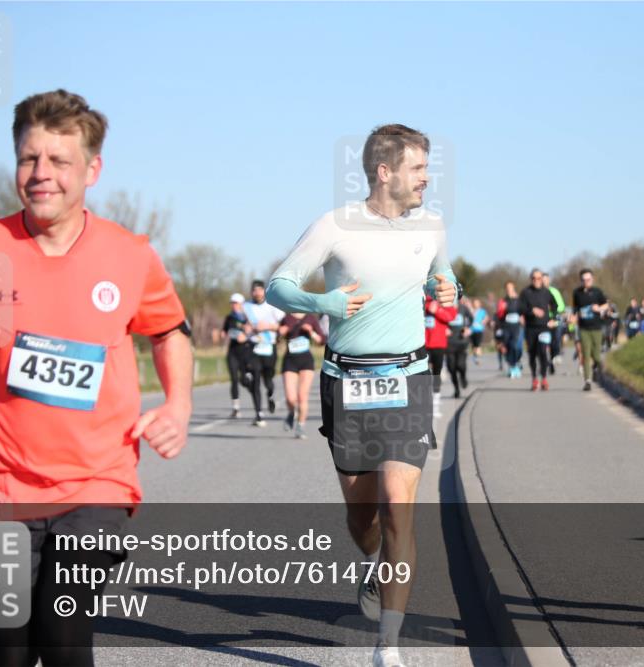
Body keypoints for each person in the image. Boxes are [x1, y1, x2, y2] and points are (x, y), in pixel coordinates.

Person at [0, 89, 193, 666]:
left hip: (98, 483)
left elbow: (170, 331)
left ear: (92, 169)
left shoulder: (130, 255)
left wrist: (178, 405)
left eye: (59, 161)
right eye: (29, 159)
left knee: (63, 639)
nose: (41, 174)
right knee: (3, 651)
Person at [266, 124, 458, 667]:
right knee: (362, 515)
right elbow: (279, 285)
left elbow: (440, 276)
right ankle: (374, 560)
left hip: (407, 376)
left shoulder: (432, 225)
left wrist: (448, 286)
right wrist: (324, 304)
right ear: (385, 172)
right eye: (418, 168)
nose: (427, 178)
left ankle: (388, 645)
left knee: (399, 504)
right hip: (346, 380)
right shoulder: (334, 226)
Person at [243, 279, 285, 426]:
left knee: (268, 380)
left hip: (269, 346)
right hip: (254, 347)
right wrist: (246, 329)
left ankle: (270, 394)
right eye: (254, 290)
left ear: (264, 291)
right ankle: (259, 414)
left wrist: (267, 326)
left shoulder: (273, 306)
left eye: (259, 289)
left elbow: (283, 325)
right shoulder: (246, 307)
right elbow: (240, 323)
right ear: (251, 292)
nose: (257, 293)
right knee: (255, 379)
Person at [278, 311, 326, 438]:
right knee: (290, 397)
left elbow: (321, 340)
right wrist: (281, 332)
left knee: (302, 396)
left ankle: (300, 425)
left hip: (306, 360)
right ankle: (291, 412)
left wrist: (311, 332)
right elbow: (277, 338)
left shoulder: (310, 318)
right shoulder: (287, 317)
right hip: (290, 360)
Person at [518, 270, 559, 391]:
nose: (536, 280)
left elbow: (555, 306)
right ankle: (534, 378)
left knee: (542, 352)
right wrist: (532, 311)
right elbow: (520, 308)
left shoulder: (547, 292)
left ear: (542, 279)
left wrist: (552, 319)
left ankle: (544, 378)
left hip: (544, 327)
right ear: (531, 279)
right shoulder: (526, 292)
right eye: (534, 278)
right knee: (532, 354)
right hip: (530, 327)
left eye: (539, 278)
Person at [571, 269, 608, 391]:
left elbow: (606, 305)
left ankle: (599, 365)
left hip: (596, 327)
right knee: (586, 354)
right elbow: (575, 309)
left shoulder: (597, 292)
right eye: (584, 280)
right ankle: (587, 381)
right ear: (581, 281)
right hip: (583, 328)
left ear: (592, 279)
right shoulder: (577, 293)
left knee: (596, 355)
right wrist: (573, 317)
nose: (586, 282)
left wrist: (599, 308)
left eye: (588, 279)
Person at [219, 293, 252, 418]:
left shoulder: (247, 318)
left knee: (244, 379)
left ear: (241, 304)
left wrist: (246, 332)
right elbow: (225, 331)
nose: (233, 305)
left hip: (244, 351)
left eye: (236, 303)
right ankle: (236, 408)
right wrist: (222, 334)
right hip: (232, 351)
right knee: (233, 379)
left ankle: (253, 392)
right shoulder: (229, 318)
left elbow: (252, 333)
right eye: (232, 303)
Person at [425, 294, 457, 415]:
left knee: (436, 374)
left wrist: (437, 310)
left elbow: (451, 316)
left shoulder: (443, 301)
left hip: (438, 344)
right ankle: (425, 403)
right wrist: (427, 308)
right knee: (423, 375)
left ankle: (436, 404)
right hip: (423, 344)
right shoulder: (423, 300)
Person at [445, 297, 474, 398]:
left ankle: (463, 377)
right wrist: (444, 329)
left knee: (460, 365)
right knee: (451, 368)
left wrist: (467, 328)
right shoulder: (444, 308)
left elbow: (471, 319)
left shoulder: (463, 308)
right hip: (448, 343)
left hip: (461, 341)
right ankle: (456, 389)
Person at [499, 281, 525, 378]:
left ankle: (516, 361)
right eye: (507, 288)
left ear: (514, 288)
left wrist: (522, 317)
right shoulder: (503, 301)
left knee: (517, 347)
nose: (509, 289)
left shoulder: (519, 300)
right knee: (508, 347)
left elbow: (524, 311)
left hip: (517, 326)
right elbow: (499, 315)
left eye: (511, 287)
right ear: (505, 289)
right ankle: (512, 366)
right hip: (506, 327)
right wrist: (502, 310)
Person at [469, 298, 490, 364]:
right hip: (472, 330)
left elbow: (486, 318)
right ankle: (475, 357)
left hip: (479, 330)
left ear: (479, 304)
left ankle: (477, 358)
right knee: (474, 345)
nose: (475, 304)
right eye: (474, 303)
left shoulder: (482, 311)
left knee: (478, 345)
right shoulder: (471, 311)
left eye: (477, 303)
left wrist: (483, 321)